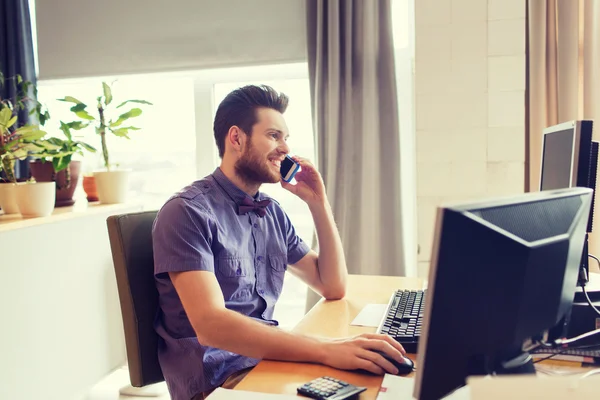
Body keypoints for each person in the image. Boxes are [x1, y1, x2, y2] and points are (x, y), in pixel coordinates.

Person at [152, 84, 406, 400]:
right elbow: (211, 325)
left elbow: (332, 286)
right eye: (274, 136)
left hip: (265, 361)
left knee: (377, 384)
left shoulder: (271, 212)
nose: (285, 148)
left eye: (286, 138)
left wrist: (319, 203)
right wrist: (324, 349)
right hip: (217, 384)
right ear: (236, 138)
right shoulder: (187, 212)